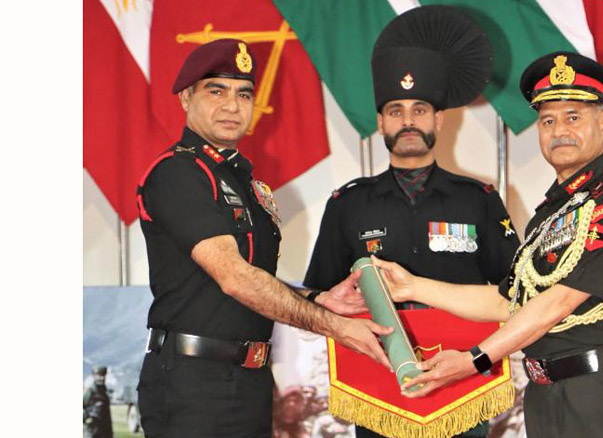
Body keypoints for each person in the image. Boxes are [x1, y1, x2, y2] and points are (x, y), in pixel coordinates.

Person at [374, 51, 603, 438]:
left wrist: (476, 360)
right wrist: (411, 286)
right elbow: (506, 303)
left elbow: (557, 302)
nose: (559, 130)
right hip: (548, 394)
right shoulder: (551, 216)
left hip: (600, 393)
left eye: (573, 117)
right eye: (547, 120)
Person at [135, 38, 392, 438]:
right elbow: (235, 278)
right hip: (192, 385)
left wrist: (317, 299)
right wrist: (336, 327)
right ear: (186, 98)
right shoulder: (177, 173)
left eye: (243, 94)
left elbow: (253, 279)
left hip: (249, 381)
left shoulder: (247, 183)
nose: (231, 106)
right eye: (215, 91)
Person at [303, 6, 520, 438]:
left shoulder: (481, 201)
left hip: (462, 382)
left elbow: (515, 294)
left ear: (439, 119)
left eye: (419, 109)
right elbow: (317, 295)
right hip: (379, 385)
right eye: (396, 110)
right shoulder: (348, 203)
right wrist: (327, 302)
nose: (408, 121)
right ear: (381, 121)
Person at [83, 366, 113, 438]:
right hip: (92, 431)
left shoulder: (105, 392)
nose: (101, 378)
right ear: (94, 376)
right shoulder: (90, 391)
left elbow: (107, 415)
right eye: (98, 375)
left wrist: (110, 433)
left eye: (103, 375)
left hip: (104, 431)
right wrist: (87, 417)